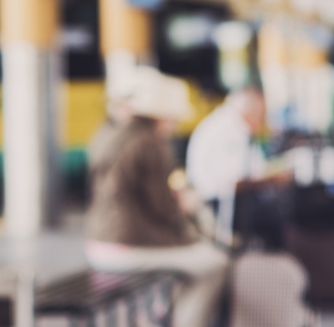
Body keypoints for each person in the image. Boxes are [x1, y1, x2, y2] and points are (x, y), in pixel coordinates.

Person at [87, 68, 229, 327]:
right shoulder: (150, 144)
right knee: (214, 263)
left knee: (192, 259)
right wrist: (184, 203)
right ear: (161, 116)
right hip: (130, 248)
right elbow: (165, 210)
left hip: (99, 244)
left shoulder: (107, 135)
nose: (175, 126)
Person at [187, 85, 289, 247]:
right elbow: (234, 180)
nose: (264, 118)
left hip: (230, 201)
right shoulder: (226, 128)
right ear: (253, 107)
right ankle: (270, 267)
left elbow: (255, 168)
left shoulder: (236, 126)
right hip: (219, 204)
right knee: (278, 214)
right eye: (263, 112)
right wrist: (272, 178)